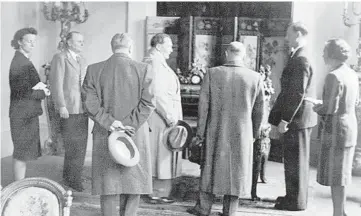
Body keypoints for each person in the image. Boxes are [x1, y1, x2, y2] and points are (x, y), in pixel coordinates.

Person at [187, 41, 265, 216]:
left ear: (226, 53)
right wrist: (254, 134)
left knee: (209, 167)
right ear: (243, 55)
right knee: (236, 171)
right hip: (242, 132)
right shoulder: (255, 77)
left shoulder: (212, 74)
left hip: (215, 129)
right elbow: (259, 111)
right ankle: (230, 211)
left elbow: (203, 107)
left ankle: (203, 208)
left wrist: (200, 133)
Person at [81, 33, 156, 216]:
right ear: (130, 48)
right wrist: (128, 125)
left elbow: (90, 104)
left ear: (112, 47)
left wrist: (111, 123)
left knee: (108, 182)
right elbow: (148, 103)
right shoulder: (144, 69)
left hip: (104, 132)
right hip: (135, 132)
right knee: (134, 180)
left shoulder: (93, 69)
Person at [268, 22, 318, 211]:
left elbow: (297, 93)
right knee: (295, 160)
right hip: (301, 118)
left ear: (298, 34)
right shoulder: (301, 55)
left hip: (297, 119)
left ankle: (295, 202)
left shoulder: (301, 59)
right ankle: (293, 197)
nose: (286, 38)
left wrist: (284, 120)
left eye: (288, 34)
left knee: (295, 161)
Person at [313, 39, 358, 216]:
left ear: (332, 54)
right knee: (342, 174)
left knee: (335, 176)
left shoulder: (334, 76)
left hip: (336, 130)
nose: (323, 55)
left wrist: (318, 107)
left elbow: (330, 108)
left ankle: (337, 213)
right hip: (350, 127)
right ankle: (340, 211)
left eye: (325, 52)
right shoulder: (352, 74)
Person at [142, 33, 183, 204]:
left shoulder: (154, 60)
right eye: (169, 45)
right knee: (160, 154)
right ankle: (157, 193)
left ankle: (156, 191)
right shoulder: (154, 62)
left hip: (158, 117)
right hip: (160, 117)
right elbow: (156, 94)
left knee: (159, 153)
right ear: (158, 46)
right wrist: (169, 116)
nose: (172, 49)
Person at [9, 27, 51, 181]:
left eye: (34, 41)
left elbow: (30, 86)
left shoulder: (23, 60)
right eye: (29, 41)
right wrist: (44, 92)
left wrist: (41, 86)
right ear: (19, 42)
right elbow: (24, 92)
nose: (32, 44)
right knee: (21, 154)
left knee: (23, 153)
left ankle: (19, 184)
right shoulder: (19, 62)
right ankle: (18, 185)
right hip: (22, 114)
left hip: (25, 113)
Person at [49, 31, 88, 192]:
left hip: (82, 108)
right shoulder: (60, 57)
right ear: (69, 43)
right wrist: (61, 105)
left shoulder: (81, 59)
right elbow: (56, 83)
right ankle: (73, 179)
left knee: (81, 145)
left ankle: (71, 175)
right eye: (79, 41)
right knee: (73, 145)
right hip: (69, 108)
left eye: (82, 41)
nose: (82, 44)